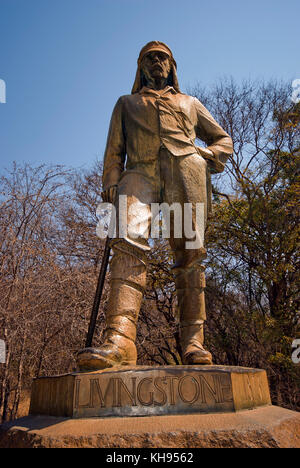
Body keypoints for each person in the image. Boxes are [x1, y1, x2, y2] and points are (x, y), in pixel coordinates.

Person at [77, 41, 233, 371]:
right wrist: (110, 179)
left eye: (162, 57)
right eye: (150, 58)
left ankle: (194, 342)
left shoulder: (190, 103)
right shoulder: (127, 103)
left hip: (185, 172)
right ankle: (120, 339)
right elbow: (114, 151)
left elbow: (223, 140)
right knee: (127, 241)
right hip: (140, 172)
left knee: (190, 252)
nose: (157, 62)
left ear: (172, 65)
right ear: (141, 66)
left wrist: (204, 156)